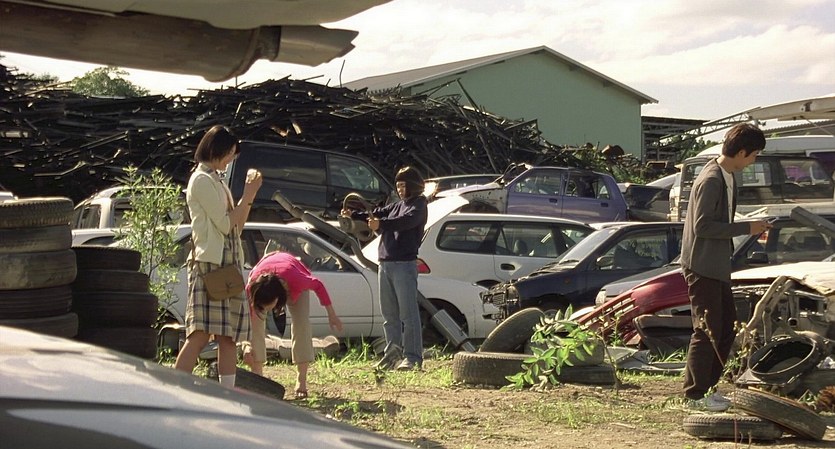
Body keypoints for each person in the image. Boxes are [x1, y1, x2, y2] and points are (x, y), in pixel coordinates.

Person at [679, 123, 771, 411]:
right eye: (754, 155)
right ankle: (695, 395)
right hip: (702, 264)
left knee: (725, 328)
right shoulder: (712, 179)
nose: (754, 161)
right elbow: (703, 226)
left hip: (716, 266)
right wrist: (747, 227)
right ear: (742, 152)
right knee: (706, 330)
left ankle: (708, 389)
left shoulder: (726, 175)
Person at [174, 125, 262, 388]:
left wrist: (250, 197)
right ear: (216, 150)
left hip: (228, 261)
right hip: (210, 264)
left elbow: (237, 227)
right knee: (200, 333)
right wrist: (247, 194)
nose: (230, 160)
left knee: (228, 335)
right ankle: (174, 388)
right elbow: (224, 224)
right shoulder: (201, 180)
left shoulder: (217, 180)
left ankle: (227, 393)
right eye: (229, 154)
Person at [342, 166, 428, 371]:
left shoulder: (419, 206)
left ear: (414, 186)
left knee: (408, 315)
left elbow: (403, 222)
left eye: (403, 186)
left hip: (404, 265)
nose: (400, 190)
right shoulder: (397, 206)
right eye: (398, 186)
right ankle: (392, 356)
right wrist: (354, 214)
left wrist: (380, 224)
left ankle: (413, 358)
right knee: (389, 316)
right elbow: (376, 213)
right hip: (385, 264)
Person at [243, 251, 343, 399]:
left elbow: (318, 285)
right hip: (267, 274)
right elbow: (248, 324)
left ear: (278, 299)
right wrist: (246, 346)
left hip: (291, 274)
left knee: (301, 324)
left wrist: (332, 314)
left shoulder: (298, 280)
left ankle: (301, 380)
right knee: (256, 325)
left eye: (268, 306)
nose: (266, 310)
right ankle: (258, 377)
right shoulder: (253, 287)